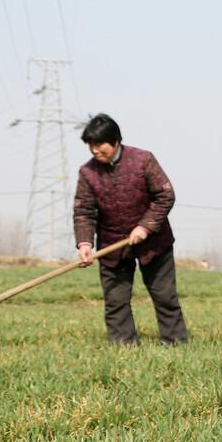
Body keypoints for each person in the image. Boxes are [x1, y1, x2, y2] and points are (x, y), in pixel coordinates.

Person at [74, 113, 189, 345]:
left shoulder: (143, 160)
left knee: (164, 296)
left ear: (116, 140)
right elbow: (84, 211)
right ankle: (123, 348)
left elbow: (165, 195)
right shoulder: (88, 173)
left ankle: (176, 344)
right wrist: (85, 243)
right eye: (91, 146)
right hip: (112, 246)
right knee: (116, 301)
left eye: (100, 145)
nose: (95, 151)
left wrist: (145, 227)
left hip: (154, 243)